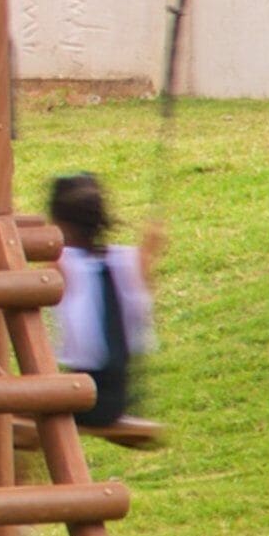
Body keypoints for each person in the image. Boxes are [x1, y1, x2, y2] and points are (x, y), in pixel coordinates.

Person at [47, 172, 164, 448]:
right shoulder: (130, 260)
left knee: (6, 412)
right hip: (120, 395)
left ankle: (23, 484)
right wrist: (152, 244)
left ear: (58, 224)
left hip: (82, 397)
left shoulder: (60, 265)